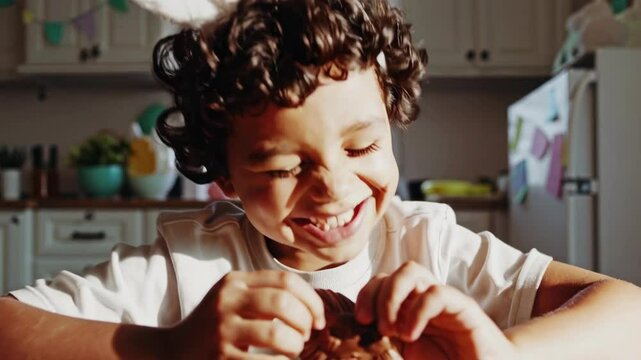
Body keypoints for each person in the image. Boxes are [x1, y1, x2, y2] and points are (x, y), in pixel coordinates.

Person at [2, 0, 641, 358]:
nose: (334, 187)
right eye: (283, 166)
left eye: (363, 145)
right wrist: (167, 351)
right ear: (221, 170)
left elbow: (630, 313)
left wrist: (501, 354)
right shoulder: (188, 266)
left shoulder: (432, 247)